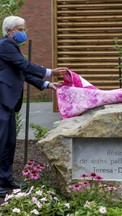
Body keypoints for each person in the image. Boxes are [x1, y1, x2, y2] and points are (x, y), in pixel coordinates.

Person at [0, 15, 68, 197]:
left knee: (9, 143)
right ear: (9, 31)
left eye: (24, 29)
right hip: (2, 101)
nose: (24, 33)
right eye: (20, 30)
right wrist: (49, 72)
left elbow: (23, 72)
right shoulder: (5, 45)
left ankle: (6, 180)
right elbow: (25, 65)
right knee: (1, 142)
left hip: (8, 103)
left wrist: (47, 84)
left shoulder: (12, 47)